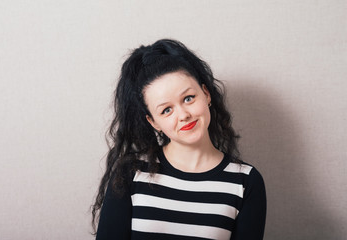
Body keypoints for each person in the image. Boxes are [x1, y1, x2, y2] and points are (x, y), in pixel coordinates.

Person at [92, 39, 267, 240]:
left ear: (206, 94)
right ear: (153, 122)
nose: (183, 115)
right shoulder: (131, 172)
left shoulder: (246, 181)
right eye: (166, 110)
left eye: (188, 98)